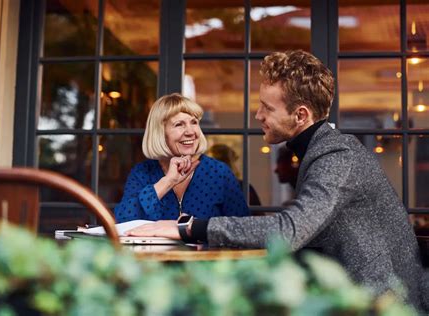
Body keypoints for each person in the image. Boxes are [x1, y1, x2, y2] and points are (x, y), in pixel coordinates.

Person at [126, 50, 428, 312]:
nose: (257, 115)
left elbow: (289, 230)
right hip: (350, 296)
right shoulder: (319, 153)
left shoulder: (338, 157)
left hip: (383, 305)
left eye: (267, 108)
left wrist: (187, 227)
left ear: (300, 115)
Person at [114, 93, 249, 223]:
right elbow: (122, 221)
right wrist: (168, 181)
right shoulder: (142, 173)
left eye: (194, 122)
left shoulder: (219, 173)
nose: (190, 132)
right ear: (160, 132)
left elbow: (242, 229)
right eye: (179, 124)